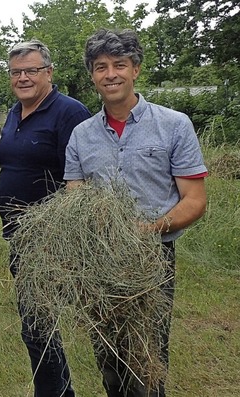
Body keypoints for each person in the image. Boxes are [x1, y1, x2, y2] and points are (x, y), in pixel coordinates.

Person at [64, 28, 208, 397]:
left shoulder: (174, 125)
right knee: (108, 351)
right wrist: (97, 231)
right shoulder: (81, 135)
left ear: (136, 70)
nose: (110, 74)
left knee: (148, 351)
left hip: (152, 256)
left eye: (119, 65)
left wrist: (145, 229)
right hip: (98, 257)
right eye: (101, 67)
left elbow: (194, 200)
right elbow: (75, 196)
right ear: (92, 75)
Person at [0, 40, 91, 397]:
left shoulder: (69, 113)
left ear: (49, 73)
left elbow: (82, 178)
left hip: (51, 239)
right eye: (16, 72)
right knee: (38, 326)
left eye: (31, 70)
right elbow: (16, 164)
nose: (23, 78)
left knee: (38, 326)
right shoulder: (15, 112)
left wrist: (63, 237)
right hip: (20, 237)